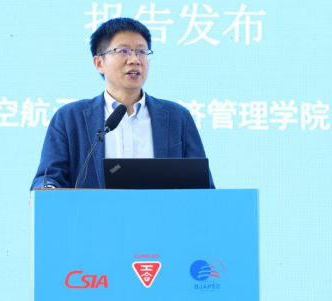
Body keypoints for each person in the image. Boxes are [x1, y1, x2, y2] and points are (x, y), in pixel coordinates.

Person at [30, 17, 214, 189]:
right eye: (123, 51)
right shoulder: (70, 117)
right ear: (99, 63)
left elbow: (202, 186)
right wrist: (47, 188)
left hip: (162, 214)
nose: (135, 60)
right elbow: (49, 177)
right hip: (94, 214)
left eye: (141, 52)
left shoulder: (177, 117)